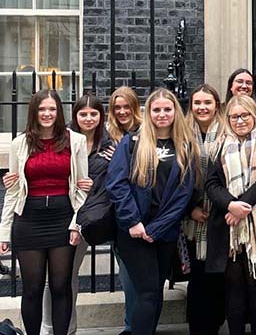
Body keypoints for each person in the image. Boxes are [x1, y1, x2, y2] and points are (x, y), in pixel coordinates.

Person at [106, 88, 198, 335]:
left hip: (164, 234)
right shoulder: (132, 142)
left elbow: (183, 195)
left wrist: (156, 229)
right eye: (156, 110)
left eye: (167, 109)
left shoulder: (185, 145)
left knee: (155, 291)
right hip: (133, 233)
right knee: (146, 292)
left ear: (175, 112)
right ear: (149, 113)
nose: (162, 114)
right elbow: (116, 183)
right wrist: (134, 222)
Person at [0, 90, 89, 335]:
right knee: (32, 288)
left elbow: (82, 189)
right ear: (34, 112)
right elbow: (13, 191)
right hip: (28, 220)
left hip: (62, 218)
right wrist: (4, 233)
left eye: (52, 109)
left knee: (60, 286)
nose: (47, 114)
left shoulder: (75, 141)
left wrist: (76, 224)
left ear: (59, 112)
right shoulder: (20, 143)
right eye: (42, 109)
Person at [205, 94, 256, 335]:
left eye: (245, 115)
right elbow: (211, 184)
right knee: (234, 289)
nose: (239, 121)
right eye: (234, 117)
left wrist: (241, 206)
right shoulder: (218, 145)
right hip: (228, 229)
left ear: (254, 115)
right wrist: (230, 205)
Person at [183, 85, 226, 335]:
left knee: (218, 273)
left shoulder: (226, 133)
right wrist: (191, 209)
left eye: (207, 102)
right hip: (192, 218)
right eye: (197, 103)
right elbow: (175, 177)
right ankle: (198, 327)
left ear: (216, 105)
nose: (202, 107)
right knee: (197, 275)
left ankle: (215, 322)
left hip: (219, 213)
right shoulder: (183, 134)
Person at [106, 85, 142, 335]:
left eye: (125, 106)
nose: (121, 111)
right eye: (116, 108)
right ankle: (131, 325)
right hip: (117, 216)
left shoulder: (145, 132)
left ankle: (141, 324)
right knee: (128, 275)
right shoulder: (107, 136)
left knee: (145, 278)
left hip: (144, 212)